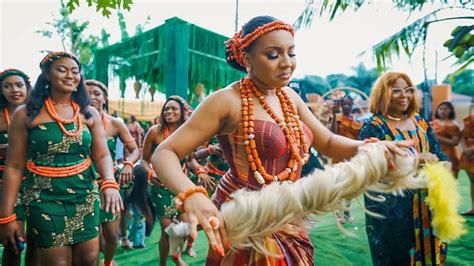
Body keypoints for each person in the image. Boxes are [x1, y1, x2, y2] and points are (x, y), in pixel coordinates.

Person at [151, 16, 409, 265]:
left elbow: (327, 142)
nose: (287, 63)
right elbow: (165, 153)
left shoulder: (289, 97)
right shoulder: (226, 100)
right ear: (246, 58)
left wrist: (369, 147)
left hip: (288, 214)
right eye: (273, 55)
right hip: (245, 219)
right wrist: (193, 195)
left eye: (291, 52)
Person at [0, 51, 122, 265]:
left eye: (75, 71)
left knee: (89, 259)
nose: (70, 76)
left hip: (84, 194)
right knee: (56, 263)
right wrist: (6, 215)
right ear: (47, 74)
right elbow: (14, 167)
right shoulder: (25, 114)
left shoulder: (89, 113)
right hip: (43, 197)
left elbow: (102, 154)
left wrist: (110, 182)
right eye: (62, 70)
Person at [359, 72, 448, 265]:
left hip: (428, 203)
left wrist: (445, 163)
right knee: (395, 256)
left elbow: (437, 152)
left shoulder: (421, 123)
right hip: (391, 209)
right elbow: (372, 166)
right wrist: (417, 159)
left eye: (408, 90)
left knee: (431, 254)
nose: (404, 95)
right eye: (396, 90)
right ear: (383, 94)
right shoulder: (374, 127)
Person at [86, 79, 140, 266]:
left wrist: (128, 164)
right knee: (89, 235)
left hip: (109, 183)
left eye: (96, 93)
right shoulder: (73, 120)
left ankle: (108, 262)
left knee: (110, 234)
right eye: (87, 93)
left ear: (105, 98)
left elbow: (135, 149)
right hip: (82, 184)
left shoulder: (115, 123)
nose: (92, 97)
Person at [141, 95, 197, 266]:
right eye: (166, 109)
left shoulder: (186, 132)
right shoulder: (155, 132)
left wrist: (200, 170)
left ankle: (177, 255)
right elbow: (143, 160)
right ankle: (163, 263)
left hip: (181, 186)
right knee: (167, 231)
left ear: (181, 113)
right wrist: (150, 173)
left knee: (187, 227)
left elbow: (190, 160)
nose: (169, 112)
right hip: (161, 187)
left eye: (174, 109)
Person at [0, 69, 37, 266]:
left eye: (19, 85)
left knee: (38, 242)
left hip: (37, 183)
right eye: (7, 86)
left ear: (27, 87)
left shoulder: (38, 113)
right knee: (14, 243)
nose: (14, 90)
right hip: (6, 186)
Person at [330, 94, 363, 223]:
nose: (347, 106)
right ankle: (339, 212)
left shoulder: (356, 122)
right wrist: (333, 116)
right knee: (339, 186)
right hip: (338, 158)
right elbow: (331, 133)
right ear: (342, 105)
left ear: (352, 105)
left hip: (351, 158)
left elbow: (359, 138)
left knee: (350, 187)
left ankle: (347, 211)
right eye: (345, 104)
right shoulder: (337, 119)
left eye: (349, 104)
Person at [431, 101, 461, 177]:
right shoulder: (432, 123)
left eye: (446, 109)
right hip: (435, 154)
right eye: (441, 109)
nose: (443, 111)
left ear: (451, 111)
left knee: (449, 180)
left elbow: (455, 142)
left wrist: (438, 137)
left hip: (449, 156)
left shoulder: (453, 125)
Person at [460, 104, 474, 216]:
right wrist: (465, 149)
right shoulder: (469, 119)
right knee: (472, 182)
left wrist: (470, 149)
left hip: (471, 150)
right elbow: (462, 136)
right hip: (469, 155)